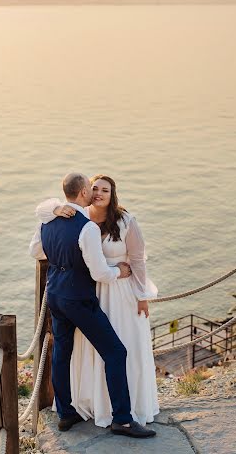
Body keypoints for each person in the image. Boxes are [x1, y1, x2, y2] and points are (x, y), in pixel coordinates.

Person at [30, 173, 159, 429]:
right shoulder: (85, 225)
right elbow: (99, 273)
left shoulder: (49, 221)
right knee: (115, 352)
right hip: (82, 298)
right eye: (92, 188)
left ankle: (66, 413)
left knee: (62, 353)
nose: (96, 192)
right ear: (83, 193)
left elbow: (36, 251)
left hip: (56, 293)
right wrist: (119, 272)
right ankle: (122, 420)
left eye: (103, 190)